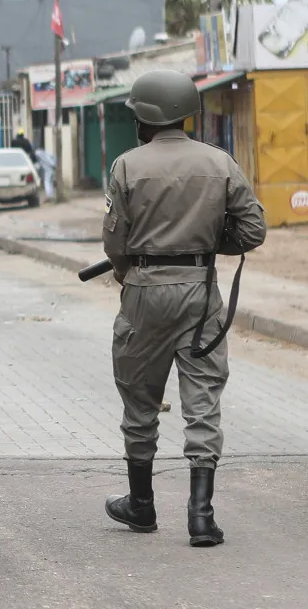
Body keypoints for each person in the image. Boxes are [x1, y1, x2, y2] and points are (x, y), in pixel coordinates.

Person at [101, 70, 266, 548]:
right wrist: (210, 242)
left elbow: (114, 240)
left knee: (139, 399)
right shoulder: (221, 163)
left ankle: (142, 505)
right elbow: (252, 231)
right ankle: (201, 516)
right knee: (202, 401)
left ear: (146, 117)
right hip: (200, 291)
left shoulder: (126, 166)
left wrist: (127, 268)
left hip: (144, 290)